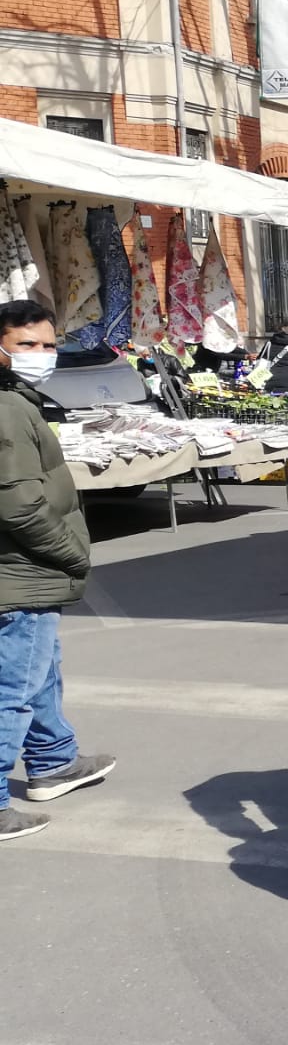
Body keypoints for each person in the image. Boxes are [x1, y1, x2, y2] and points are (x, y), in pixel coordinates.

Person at [0, 300, 114, 842]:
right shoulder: (5, 407)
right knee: (13, 686)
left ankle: (52, 759)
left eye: (48, 345)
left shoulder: (17, 400)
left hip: (23, 570)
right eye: (26, 345)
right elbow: (18, 506)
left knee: (39, 669)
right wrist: (70, 552)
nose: (41, 356)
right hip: (21, 568)